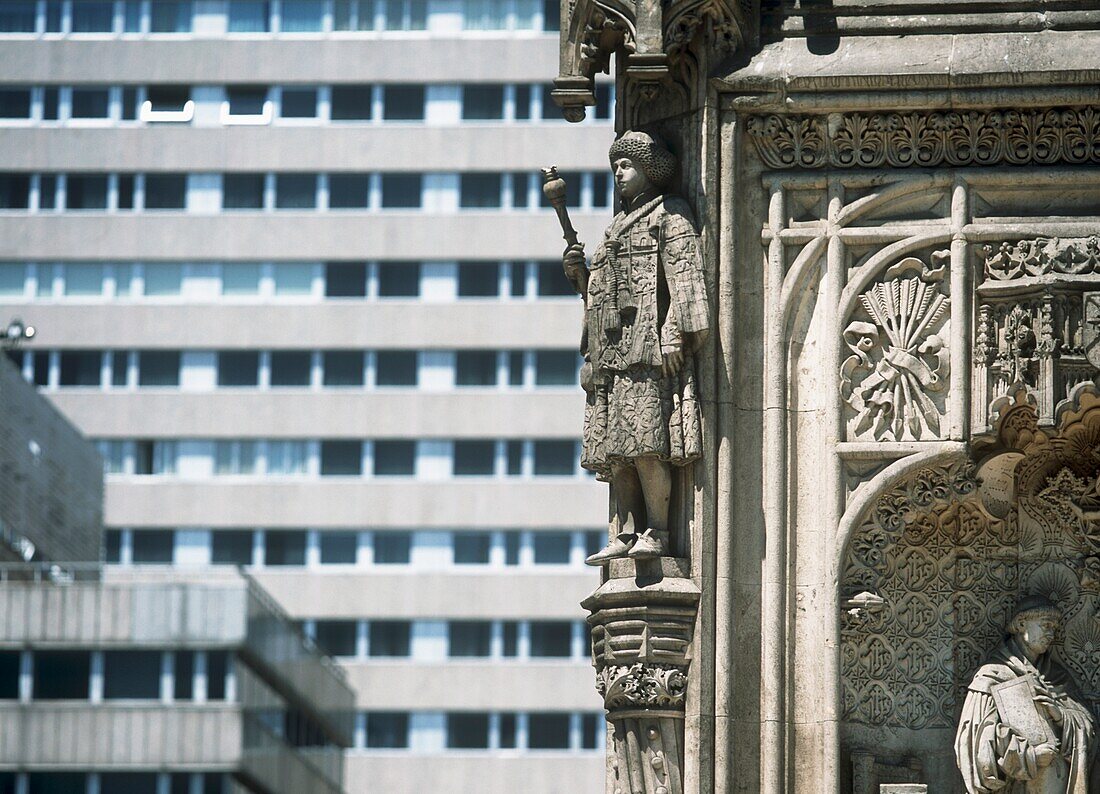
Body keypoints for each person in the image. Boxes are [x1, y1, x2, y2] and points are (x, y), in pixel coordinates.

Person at [561, 131, 709, 565]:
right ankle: (624, 531)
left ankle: (658, 532)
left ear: (648, 170)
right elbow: (601, 295)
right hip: (612, 355)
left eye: (626, 166)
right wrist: (580, 277)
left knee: (645, 446)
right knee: (617, 452)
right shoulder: (613, 229)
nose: (619, 174)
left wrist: (675, 332)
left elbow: (685, 280)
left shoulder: (669, 214)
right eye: (615, 168)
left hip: (647, 352)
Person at [955, 596, 1096, 793]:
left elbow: (1090, 727)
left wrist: (1061, 716)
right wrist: (1030, 757)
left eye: (1054, 629)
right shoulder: (992, 676)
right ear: (1021, 624)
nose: (1051, 634)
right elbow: (977, 746)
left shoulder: (1057, 676)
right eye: (1045, 625)